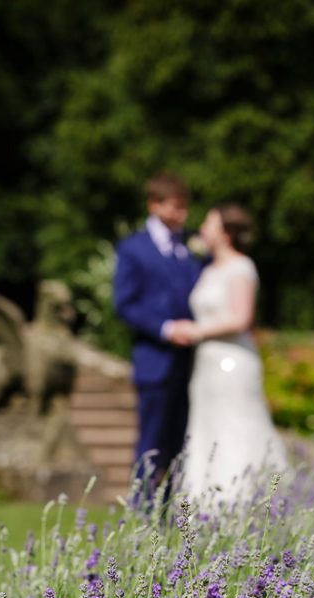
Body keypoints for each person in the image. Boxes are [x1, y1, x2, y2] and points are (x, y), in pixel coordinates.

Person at [170, 203, 288, 507]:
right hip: (206, 365)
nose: (202, 229)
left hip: (232, 363)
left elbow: (241, 318)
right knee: (207, 431)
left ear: (226, 233)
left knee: (235, 429)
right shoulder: (209, 269)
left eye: (209, 224)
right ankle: (203, 508)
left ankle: (245, 504)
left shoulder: (240, 267)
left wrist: (196, 331)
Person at [113, 172, 205, 507]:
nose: (182, 214)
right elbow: (124, 304)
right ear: (154, 205)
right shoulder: (133, 248)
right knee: (152, 443)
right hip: (155, 360)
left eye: (184, 207)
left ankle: (169, 513)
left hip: (193, 363)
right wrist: (166, 328)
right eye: (175, 206)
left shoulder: (192, 246)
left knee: (181, 444)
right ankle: (141, 511)